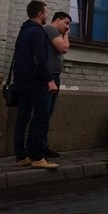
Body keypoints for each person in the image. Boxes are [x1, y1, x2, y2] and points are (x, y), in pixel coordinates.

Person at [13, 0, 60, 169]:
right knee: (42, 117)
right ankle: (38, 157)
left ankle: (21, 156)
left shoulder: (24, 30)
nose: (47, 15)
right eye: (46, 12)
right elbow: (40, 58)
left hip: (21, 81)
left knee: (22, 118)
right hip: (36, 82)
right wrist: (49, 79)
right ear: (40, 14)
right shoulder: (38, 32)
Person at [43, 11, 72, 158]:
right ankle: (38, 147)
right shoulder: (50, 29)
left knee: (48, 113)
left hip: (55, 77)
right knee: (43, 113)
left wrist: (64, 35)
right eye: (66, 23)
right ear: (58, 20)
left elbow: (64, 49)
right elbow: (64, 48)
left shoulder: (56, 33)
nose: (67, 27)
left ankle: (43, 145)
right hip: (49, 78)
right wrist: (66, 36)